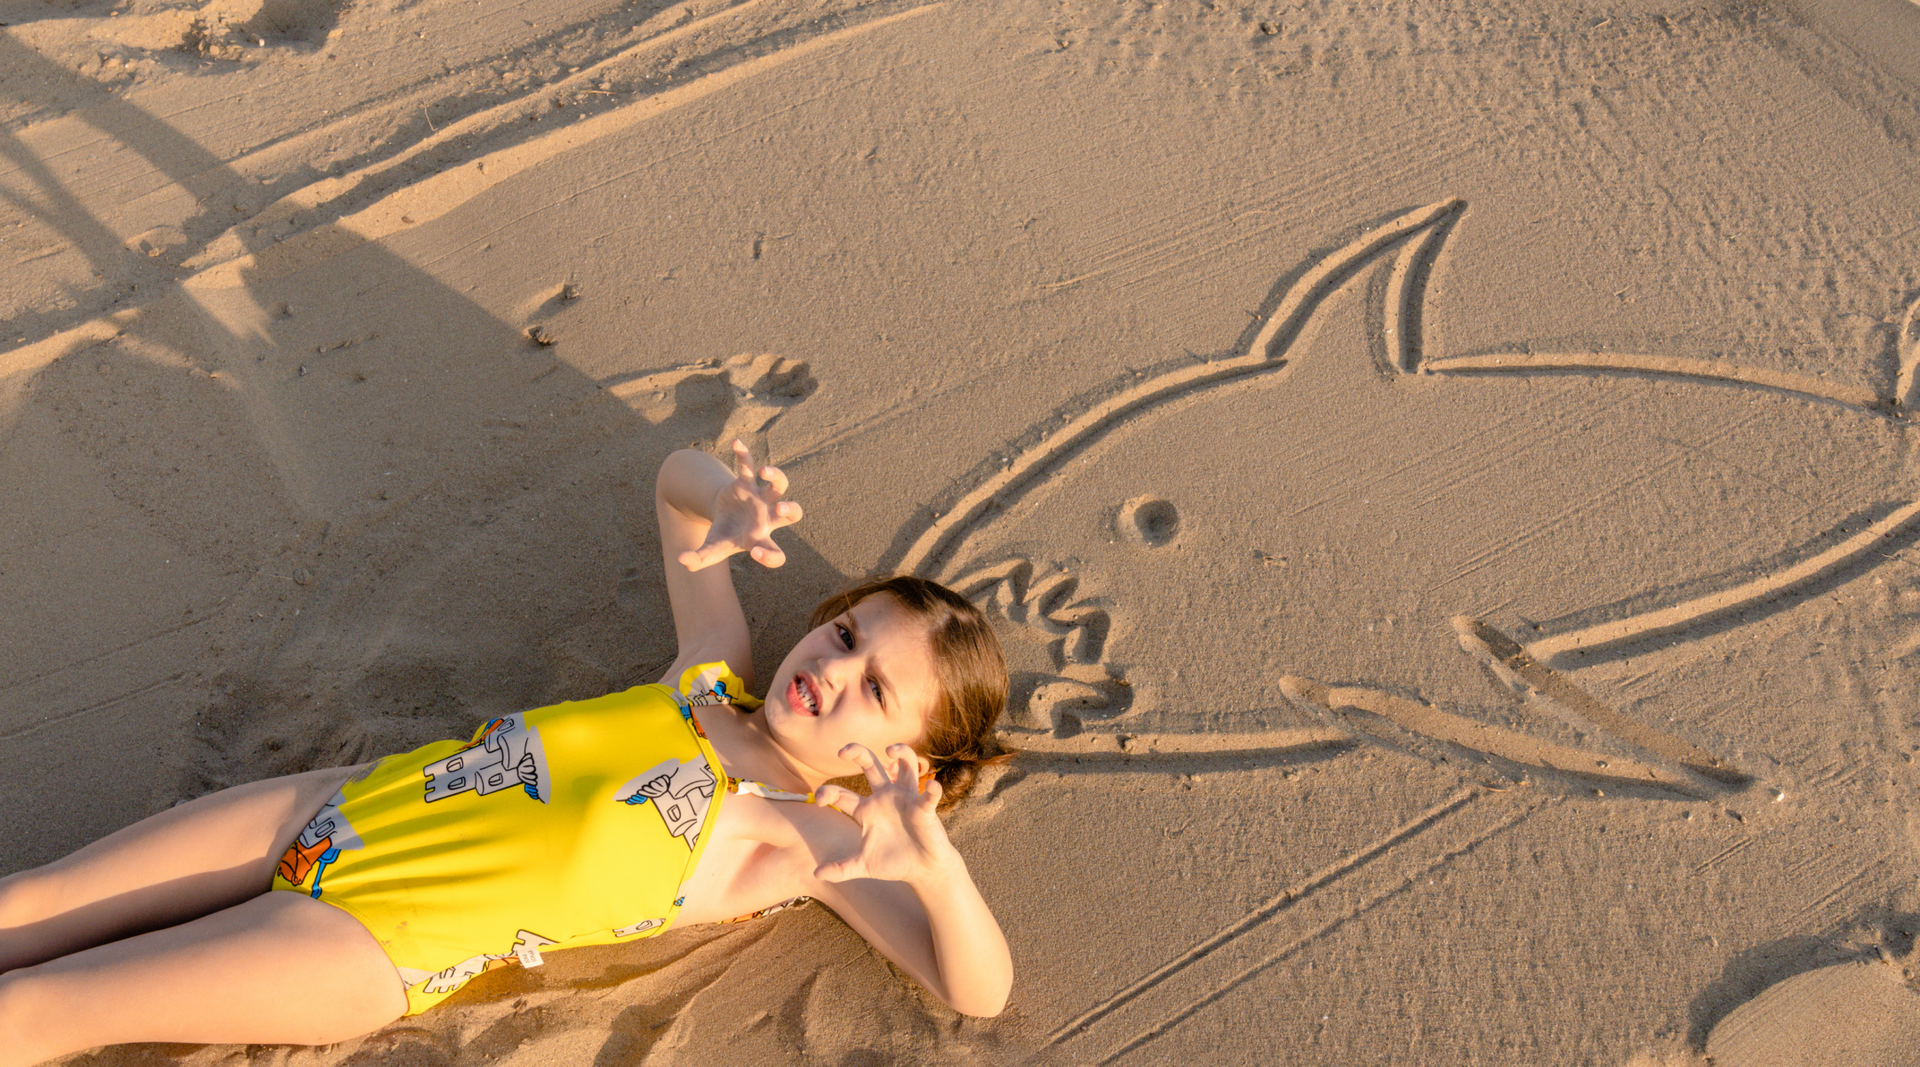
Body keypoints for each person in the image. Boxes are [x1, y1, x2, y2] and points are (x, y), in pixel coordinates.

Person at [0, 442, 1014, 1063]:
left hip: (369, 944)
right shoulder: (708, 672)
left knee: (41, 1006)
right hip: (338, 807)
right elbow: (675, 485)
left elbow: (980, 988)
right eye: (846, 633)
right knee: (34, 901)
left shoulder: (810, 846)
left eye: (877, 689)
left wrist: (937, 869)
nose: (834, 667)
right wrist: (726, 499)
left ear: (912, 762)